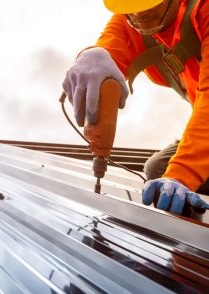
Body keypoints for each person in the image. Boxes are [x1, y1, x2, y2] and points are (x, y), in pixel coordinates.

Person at [62, 0, 209, 216]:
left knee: (177, 177)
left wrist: (182, 174)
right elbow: (109, 52)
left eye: (149, 6)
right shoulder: (131, 18)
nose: (139, 16)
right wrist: (91, 56)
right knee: (157, 169)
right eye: (130, 9)